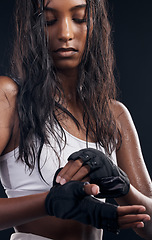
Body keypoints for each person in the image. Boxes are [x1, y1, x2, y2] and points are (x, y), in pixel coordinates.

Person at [0, 0, 152, 239]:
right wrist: (49, 202)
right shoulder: (9, 98)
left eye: (80, 18)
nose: (65, 33)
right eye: (49, 21)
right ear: (32, 29)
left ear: (97, 26)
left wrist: (121, 184)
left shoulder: (114, 115)